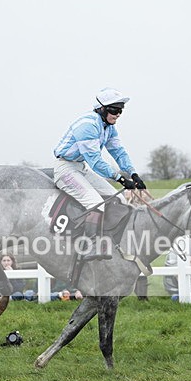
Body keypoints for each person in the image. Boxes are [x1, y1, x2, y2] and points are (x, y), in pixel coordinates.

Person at [53, 87, 146, 261]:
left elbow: (119, 152)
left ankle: (110, 240)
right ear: (101, 108)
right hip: (65, 169)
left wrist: (133, 174)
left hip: (80, 168)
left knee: (118, 199)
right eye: (114, 110)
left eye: (120, 111)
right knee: (96, 203)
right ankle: (89, 246)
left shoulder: (109, 127)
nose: (118, 114)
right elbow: (95, 161)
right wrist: (119, 178)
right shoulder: (87, 125)